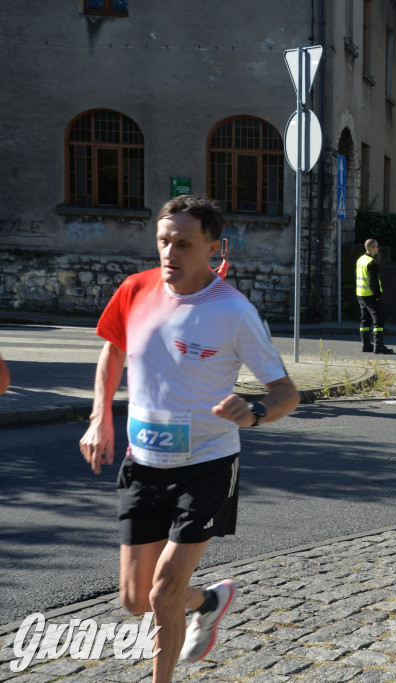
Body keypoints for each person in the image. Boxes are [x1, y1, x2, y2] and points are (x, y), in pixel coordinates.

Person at [78, 196, 299, 683]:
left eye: (183, 243)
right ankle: (211, 600)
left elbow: (286, 393)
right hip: (142, 463)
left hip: (207, 465)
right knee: (135, 600)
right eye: (163, 241)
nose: (169, 254)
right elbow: (112, 353)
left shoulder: (234, 312)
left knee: (162, 593)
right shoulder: (136, 290)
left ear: (213, 248)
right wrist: (100, 418)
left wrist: (256, 411)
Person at [356, 238, 393, 354]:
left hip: (360, 294)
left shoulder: (360, 260)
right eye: (377, 246)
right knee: (378, 321)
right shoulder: (371, 263)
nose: (378, 248)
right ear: (372, 248)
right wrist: (377, 295)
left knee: (365, 320)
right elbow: (374, 282)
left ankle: (366, 345)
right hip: (371, 296)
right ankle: (379, 346)